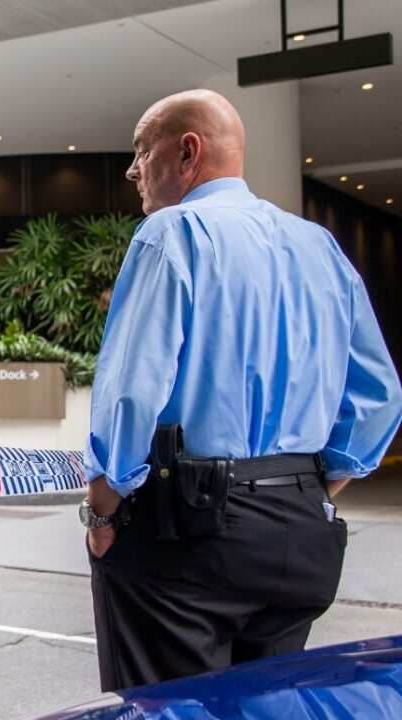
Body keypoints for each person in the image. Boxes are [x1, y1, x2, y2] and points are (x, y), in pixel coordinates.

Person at [81, 88, 402, 691]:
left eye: (140, 152)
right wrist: (312, 485)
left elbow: (131, 392)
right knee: (266, 706)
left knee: (169, 706)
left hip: (188, 537)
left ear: (186, 153)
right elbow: (379, 396)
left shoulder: (171, 233)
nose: (132, 171)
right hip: (301, 532)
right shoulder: (319, 246)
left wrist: (102, 505)